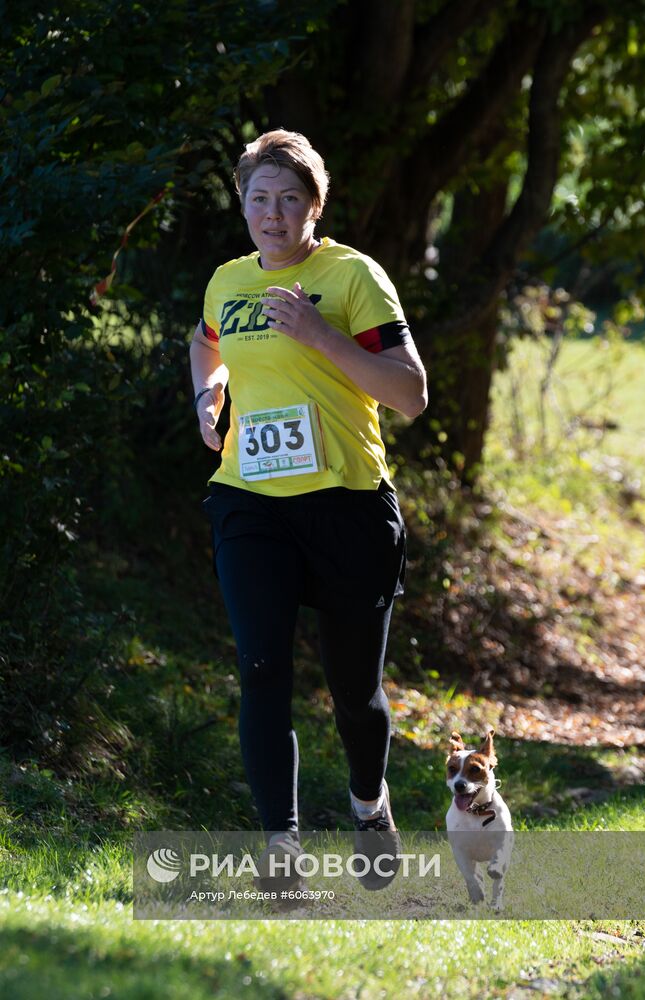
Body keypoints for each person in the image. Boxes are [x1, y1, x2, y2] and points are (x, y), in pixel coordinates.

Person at [189, 129, 427, 891]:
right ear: (243, 205)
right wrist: (207, 392)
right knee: (261, 670)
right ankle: (282, 851)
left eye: (289, 199)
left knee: (354, 693)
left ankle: (368, 805)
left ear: (314, 207)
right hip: (250, 500)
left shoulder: (352, 275)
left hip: (348, 506)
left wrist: (321, 336)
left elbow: (410, 395)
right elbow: (205, 342)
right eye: (258, 198)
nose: (272, 213)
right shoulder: (228, 281)